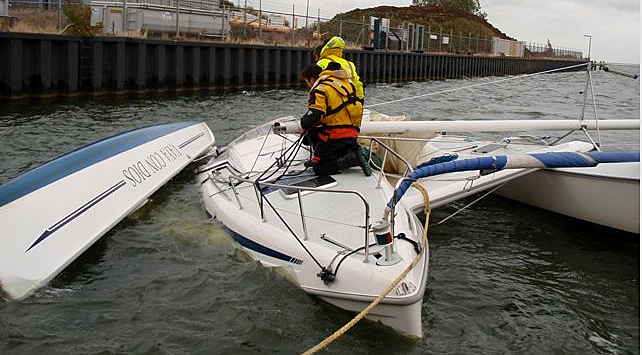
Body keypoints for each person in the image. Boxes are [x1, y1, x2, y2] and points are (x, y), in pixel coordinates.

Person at [300, 63, 371, 176]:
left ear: (312, 79)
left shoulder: (320, 89)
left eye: (307, 82)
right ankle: (346, 153)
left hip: (335, 135)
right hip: (353, 133)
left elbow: (315, 115)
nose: (308, 85)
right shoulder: (347, 85)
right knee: (314, 133)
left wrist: (303, 124)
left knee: (319, 169)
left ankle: (352, 159)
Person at [315, 36, 365, 102]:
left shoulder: (321, 63)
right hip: (351, 104)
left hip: (332, 105)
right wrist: (360, 102)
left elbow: (317, 86)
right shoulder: (350, 64)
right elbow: (358, 84)